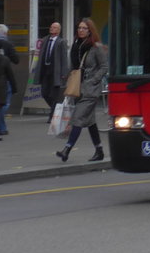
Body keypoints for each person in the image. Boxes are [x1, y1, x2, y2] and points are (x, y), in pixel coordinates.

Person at [56, 18, 106, 163]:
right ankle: (99, 150)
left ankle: (67, 149)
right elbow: (74, 66)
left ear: (90, 30)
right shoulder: (76, 45)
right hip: (78, 87)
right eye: (79, 28)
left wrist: (93, 80)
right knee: (90, 121)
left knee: (77, 118)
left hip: (90, 89)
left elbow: (104, 67)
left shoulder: (96, 46)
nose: (81, 30)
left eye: (84, 28)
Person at [35, 21, 70, 119]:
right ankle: (55, 110)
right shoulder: (45, 40)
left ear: (58, 30)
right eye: (51, 27)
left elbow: (64, 58)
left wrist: (64, 73)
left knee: (54, 94)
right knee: (44, 93)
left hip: (55, 72)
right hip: (45, 70)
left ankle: (52, 115)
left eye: (54, 27)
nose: (51, 29)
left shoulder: (61, 42)